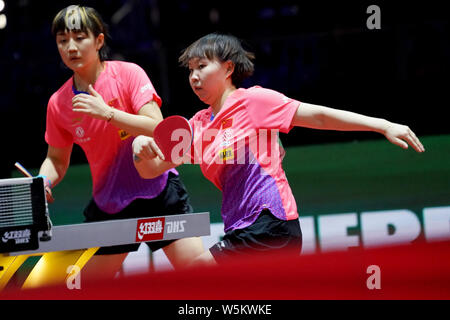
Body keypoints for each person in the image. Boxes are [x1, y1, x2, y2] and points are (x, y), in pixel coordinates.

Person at [132, 33, 425, 266]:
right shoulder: (200, 125)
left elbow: (319, 115)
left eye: (202, 66)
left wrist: (382, 124)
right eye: (190, 70)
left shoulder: (254, 102)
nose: (194, 76)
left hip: (270, 224)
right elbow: (152, 167)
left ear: (229, 68)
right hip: (241, 229)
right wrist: (140, 148)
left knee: (199, 277)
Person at [38, 5, 204, 279]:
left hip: (158, 191)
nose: (71, 47)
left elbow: (158, 128)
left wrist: (108, 114)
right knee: (87, 287)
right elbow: (56, 159)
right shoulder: (58, 103)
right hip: (110, 203)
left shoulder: (128, 74)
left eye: (80, 38)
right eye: (63, 41)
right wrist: (43, 181)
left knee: (200, 273)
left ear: (99, 40)